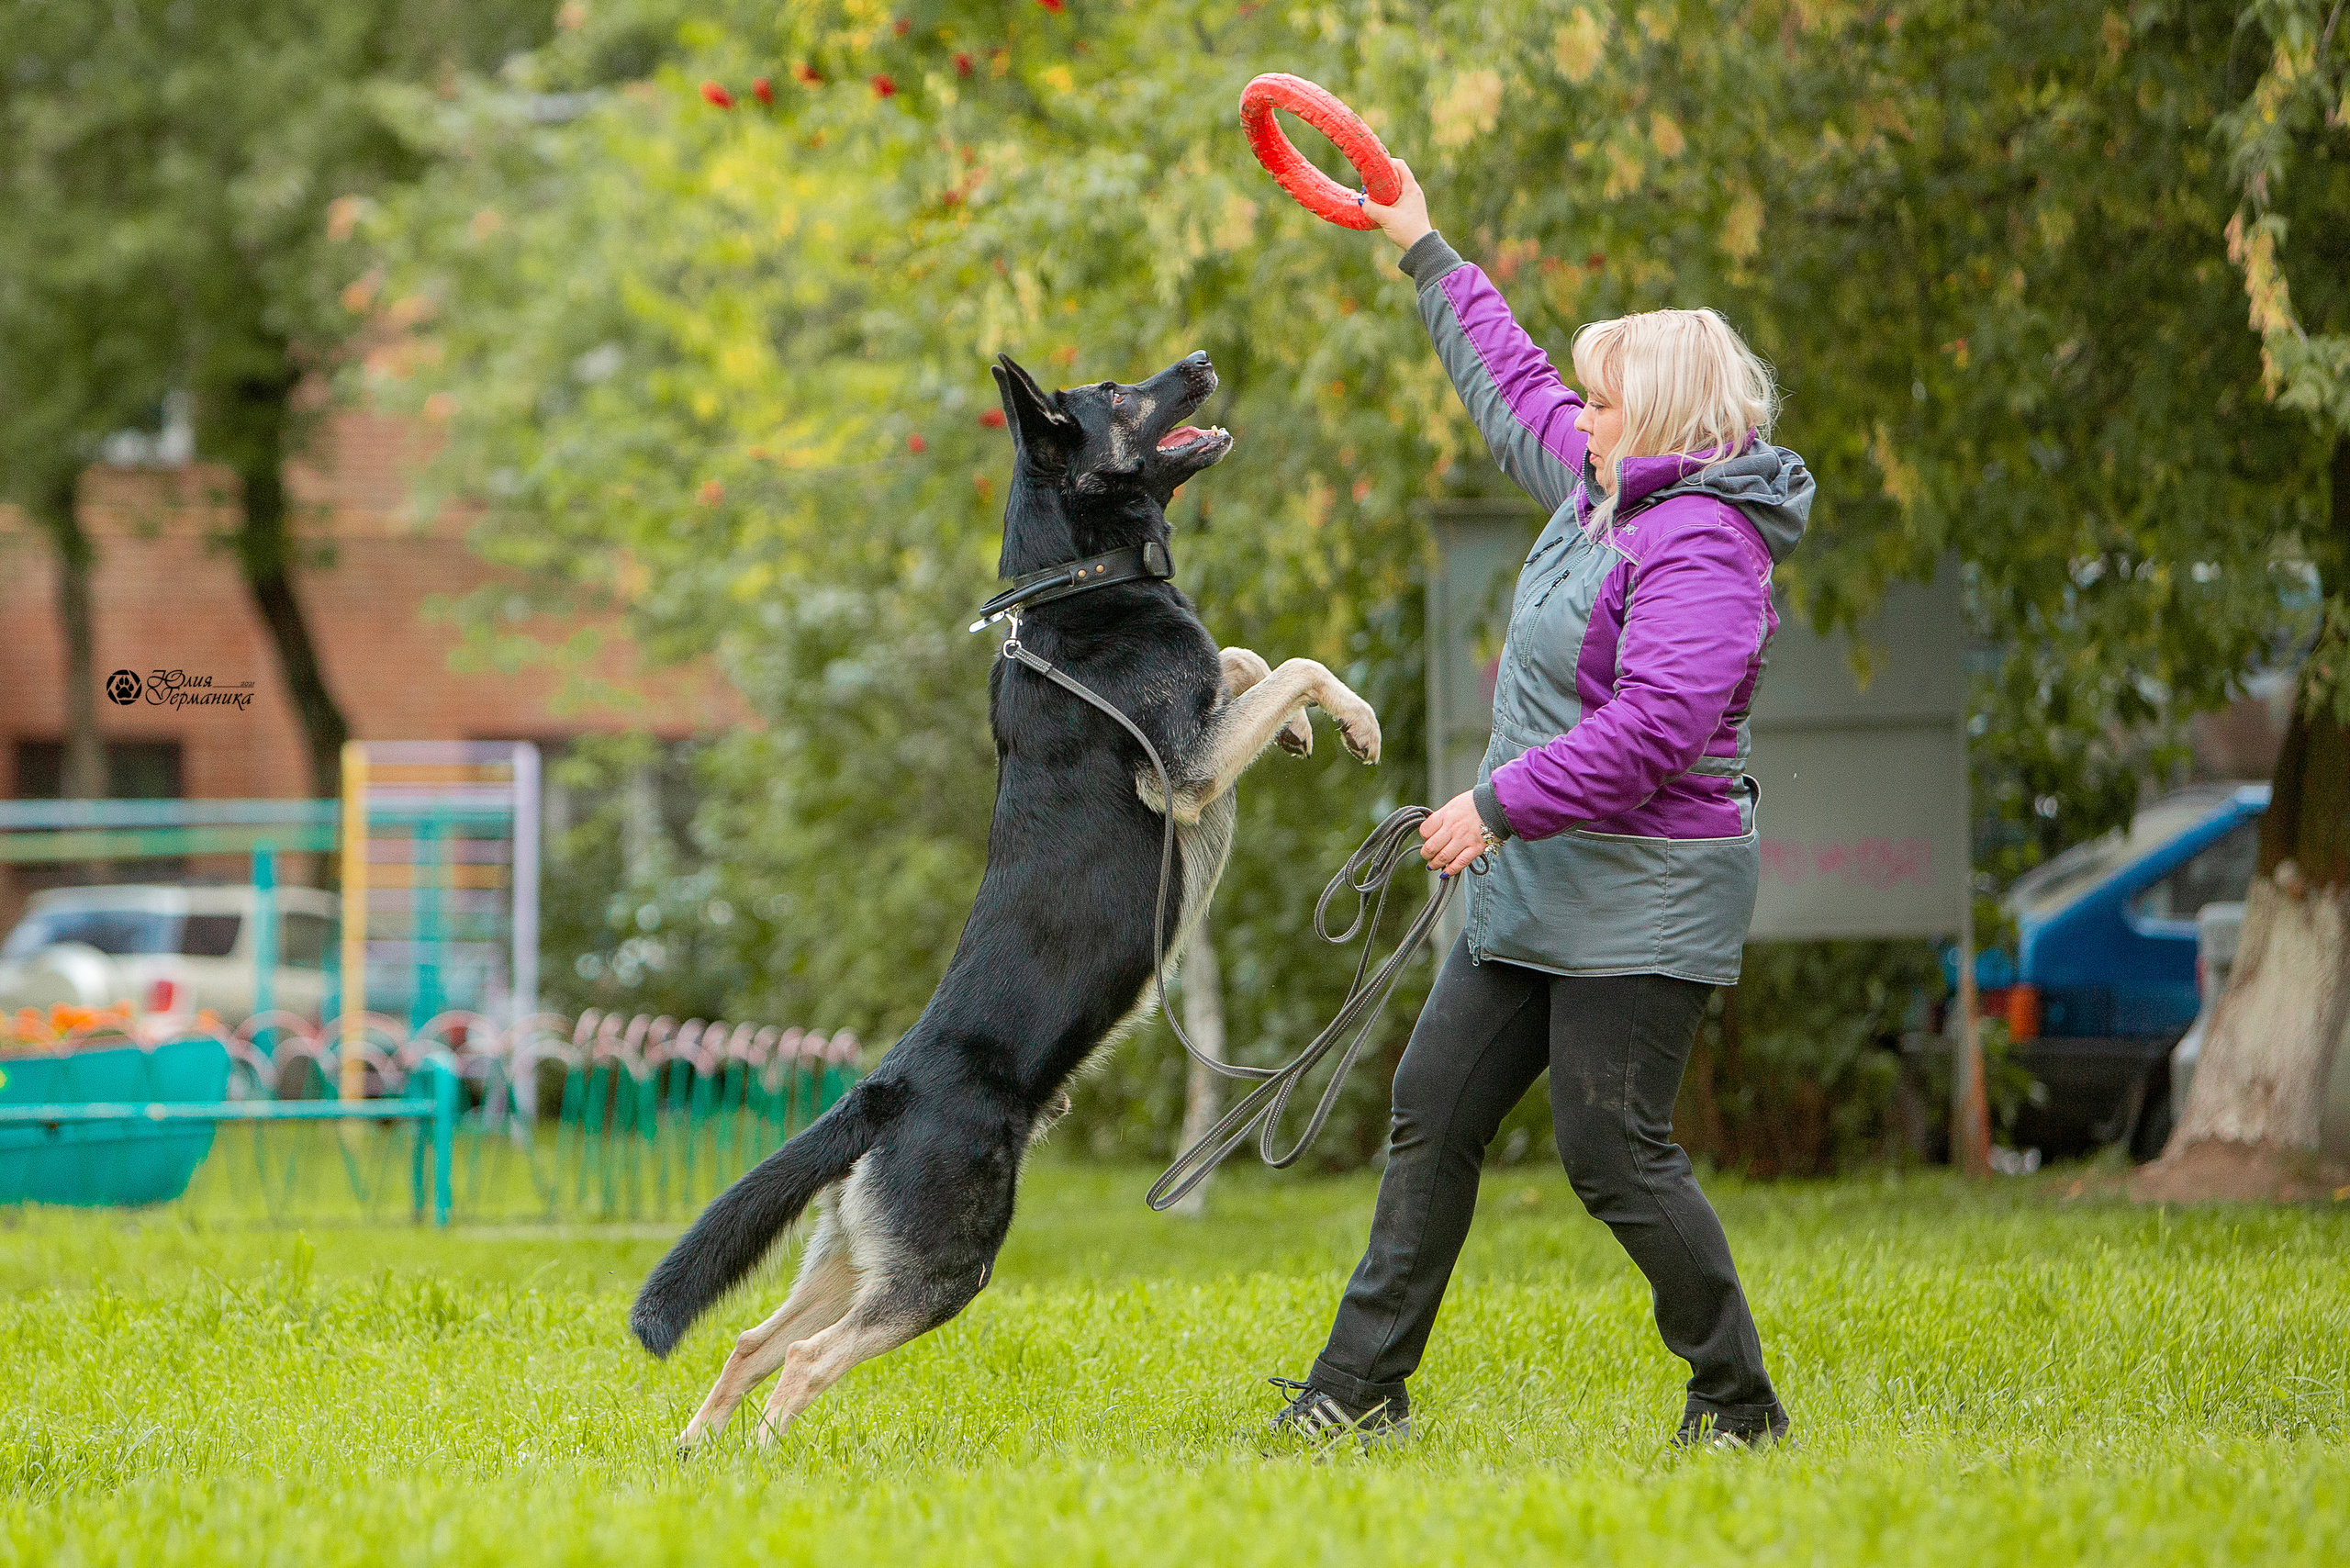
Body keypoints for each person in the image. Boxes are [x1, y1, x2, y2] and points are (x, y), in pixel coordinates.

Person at [1271, 158, 1812, 1450]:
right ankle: (1356, 1391)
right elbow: (1512, 382)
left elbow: (1658, 728)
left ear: (1661, 415)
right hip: (1542, 877)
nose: (1582, 413)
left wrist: (1497, 804)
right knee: (1434, 1103)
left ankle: (1738, 1405)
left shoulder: (1704, 544)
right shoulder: (1605, 487)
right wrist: (1422, 246)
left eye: (1605, 398)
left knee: (1612, 1150)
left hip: (1643, 891)